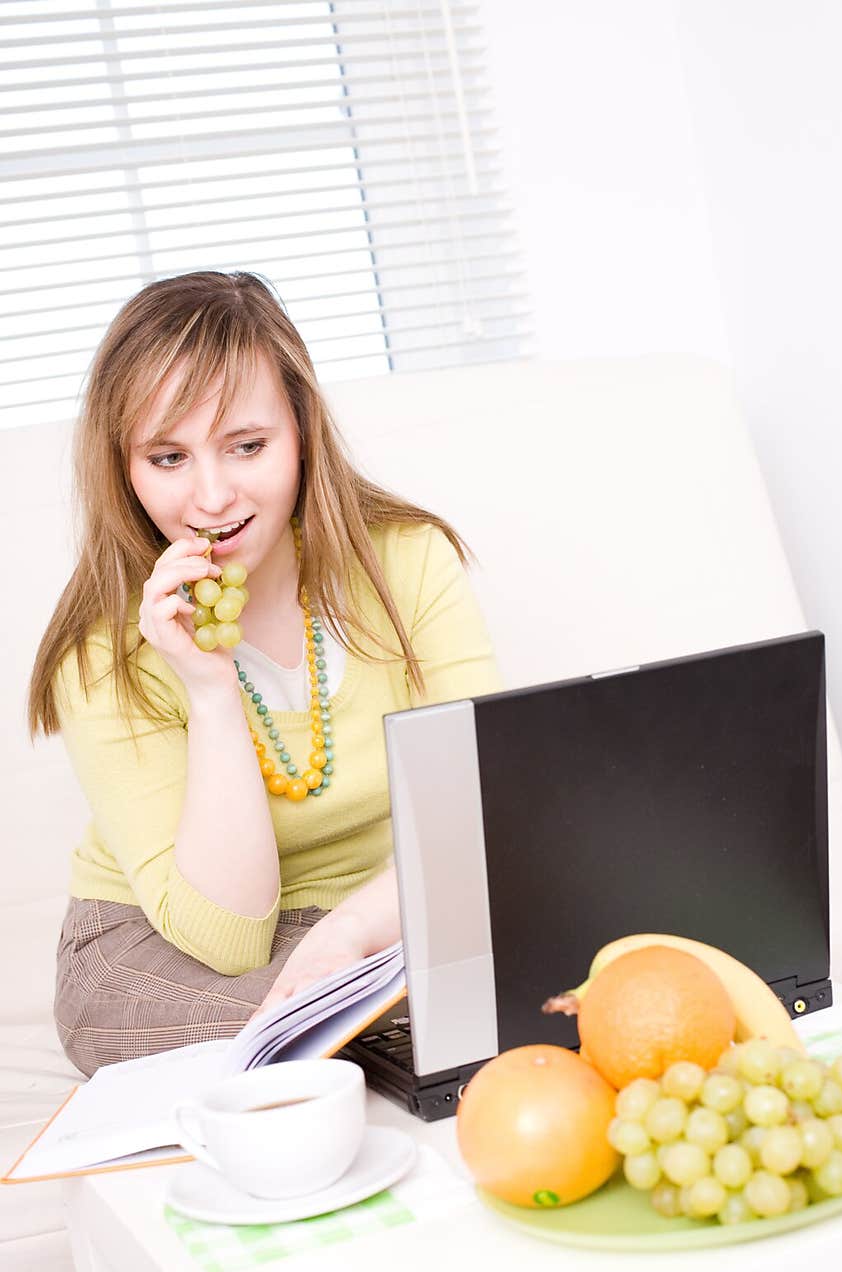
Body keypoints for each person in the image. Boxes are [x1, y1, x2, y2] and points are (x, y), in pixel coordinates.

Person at [27, 270, 501, 1079]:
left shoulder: (406, 566)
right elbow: (227, 933)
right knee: (402, 1015)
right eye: (168, 457)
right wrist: (209, 692)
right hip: (161, 945)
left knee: (525, 962)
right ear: (123, 470)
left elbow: (483, 810)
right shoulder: (101, 656)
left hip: (379, 913)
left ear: (303, 431)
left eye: (247, 445)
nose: (212, 497)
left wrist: (352, 931)